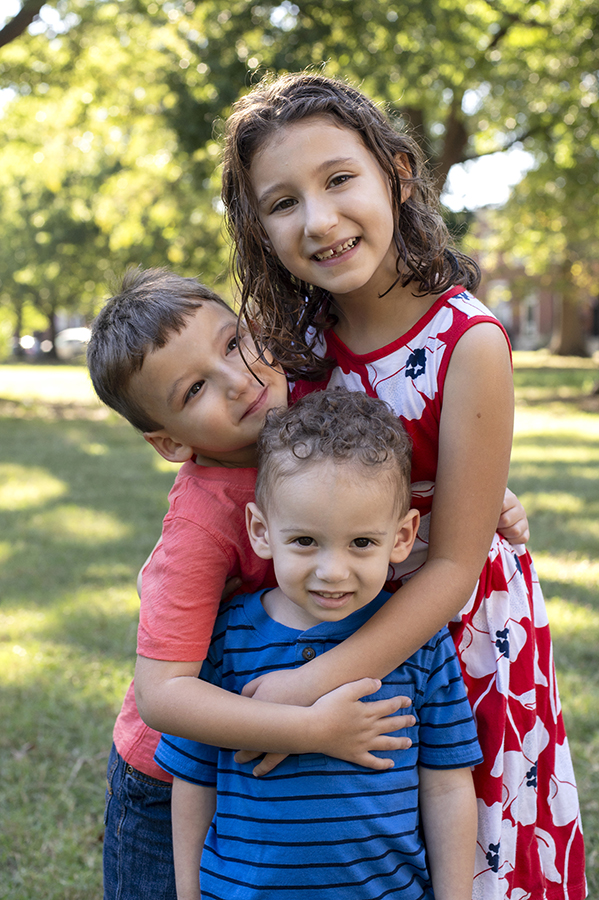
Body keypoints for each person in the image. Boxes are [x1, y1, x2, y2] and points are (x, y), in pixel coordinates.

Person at [219, 72, 586, 899]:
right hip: (329, 604)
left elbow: (454, 565)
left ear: (398, 174)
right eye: (281, 202)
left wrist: (305, 692)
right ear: (258, 228)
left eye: (339, 179)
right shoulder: (292, 346)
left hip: (454, 633)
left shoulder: (470, 340)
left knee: (469, 848)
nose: (318, 220)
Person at [88, 267, 416, 900]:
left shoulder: (302, 445)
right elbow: (162, 697)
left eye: (234, 342)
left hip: (259, 744)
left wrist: (490, 503)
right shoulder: (199, 528)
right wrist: (312, 729)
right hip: (170, 779)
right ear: (168, 443)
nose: (240, 382)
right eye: (195, 391)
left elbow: (384, 484)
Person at [155, 388, 483, 900]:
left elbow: (445, 784)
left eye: (362, 543)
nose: (333, 572)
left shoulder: (418, 640)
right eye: (305, 541)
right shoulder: (228, 635)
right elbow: (194, 782)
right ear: (261, 531)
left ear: (402, 537)